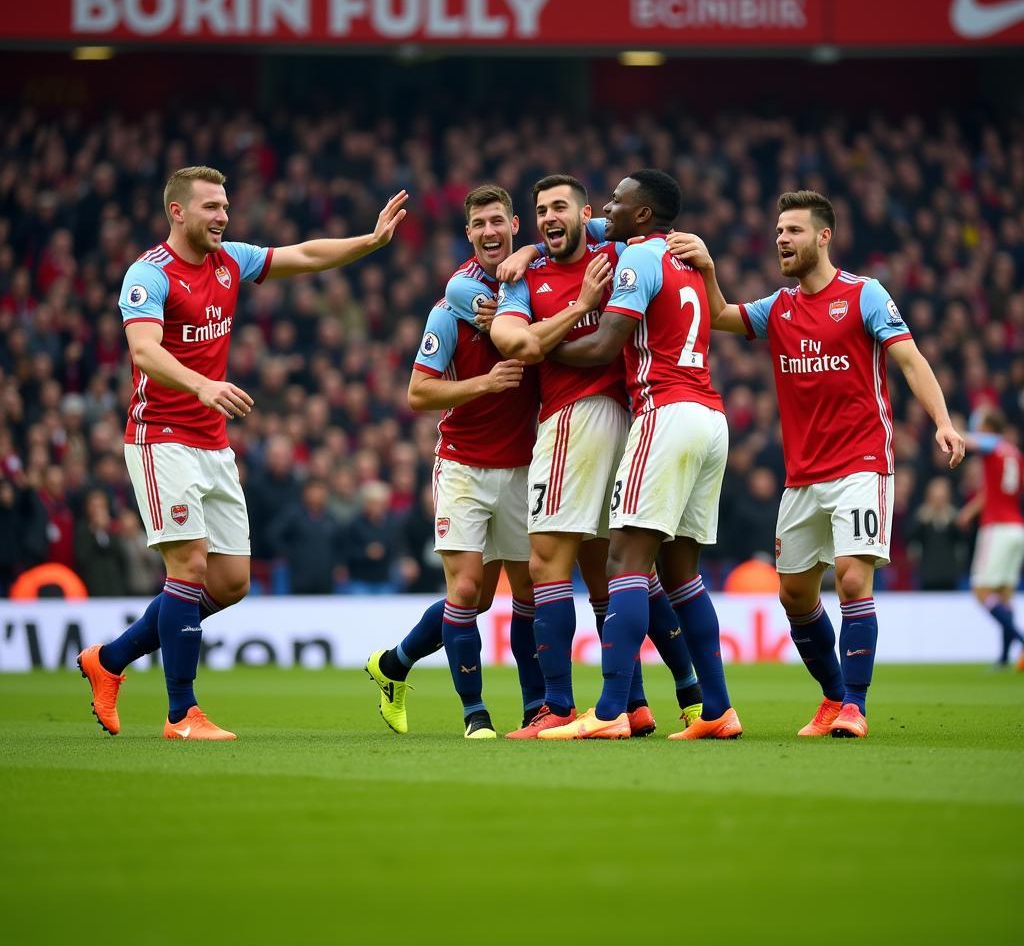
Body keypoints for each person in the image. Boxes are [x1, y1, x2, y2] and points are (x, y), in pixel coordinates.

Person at [77, 165, 407, 740]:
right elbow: (144, 350)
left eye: (225, 206)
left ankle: (107, 660)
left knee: (229, 582)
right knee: (188, 569)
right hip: (161, 438)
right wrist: (201, 385)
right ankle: (182, 714)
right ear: (177, 212)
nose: (222, 216)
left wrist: (370, 241)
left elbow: (302, 255)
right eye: (210, 207)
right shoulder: (148, 274)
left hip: (212, 442)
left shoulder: (231, 261)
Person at [668, 189, 965, 738]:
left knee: (853, 581)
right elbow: (719, 317)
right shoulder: (779, 307)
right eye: (779, 231)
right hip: (803, 474)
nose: (782, 239)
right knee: (794, 594)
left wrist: (944, 421)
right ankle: (832, 697)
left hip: (862, 462)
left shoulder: (864, 295)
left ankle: (855, 704)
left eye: (794, 231)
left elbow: (910, 359)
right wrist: (708, 270)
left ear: (823, 236)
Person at [518, 170, 739, 740]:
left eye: (617, 200)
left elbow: (602, 345)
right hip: (711, 416)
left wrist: (537, 342)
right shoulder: (685, 256)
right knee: (682, 574)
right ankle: (715, 709)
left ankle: (612, 710)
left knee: (623, 564)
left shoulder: (638, 257)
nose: (608, 208)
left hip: (664, 410)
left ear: (642, 215)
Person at [366, 184, 567, 737]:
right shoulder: (450, 307)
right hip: (463, 463)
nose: (489, 232)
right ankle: (475, 715)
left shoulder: (534, 286)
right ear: (469, 235)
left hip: (526, 466)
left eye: (498, 221)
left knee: (517, 596)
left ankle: (528, 707)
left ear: (514, 228)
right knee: (464, 593)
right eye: (479, 224)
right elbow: (417, 394)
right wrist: (485, 383)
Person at [958, 409, 1024, 668]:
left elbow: (973, 441)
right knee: (1004, 596)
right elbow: (996, 491)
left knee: (982, 591)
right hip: (1017, 528)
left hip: (996, 529)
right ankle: (1005, 657)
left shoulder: (993, 443)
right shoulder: (1015, 453)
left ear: (986, 426)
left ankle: (1021, 641)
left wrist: (952, 430)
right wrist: (970, 511)